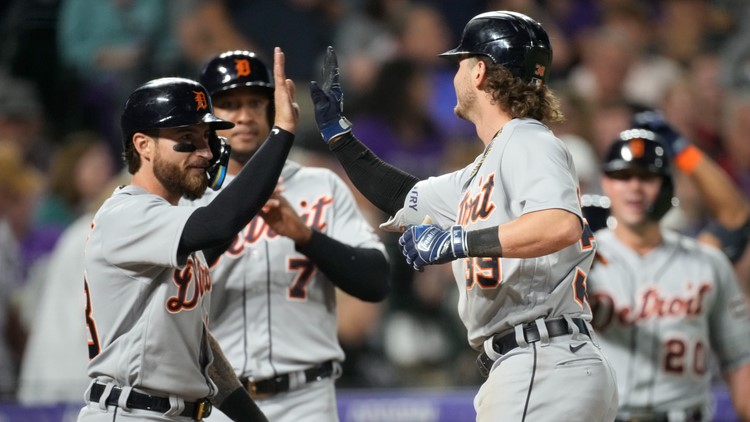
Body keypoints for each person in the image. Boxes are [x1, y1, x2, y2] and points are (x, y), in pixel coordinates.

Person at [309, 11, 618, 422]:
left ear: (479, 72)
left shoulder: (528, 139)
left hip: (541, 360)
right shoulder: (486, 165)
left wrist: (458, 241)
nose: (452, 74)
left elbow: (559, 224)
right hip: (538, 362)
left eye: (460, 62)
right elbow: (403, 195)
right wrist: (340, 138)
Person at [78, 47, 298, 422]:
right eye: (186, 138)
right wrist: (281, 133)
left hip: (179, 412)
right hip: (131, 412)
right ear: (142, 145)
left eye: (206, 138)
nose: (204, 151)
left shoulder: (175, 229)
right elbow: (218, 223)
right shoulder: (127, 213)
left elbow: (199, 355)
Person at [191, 50, 390, 422]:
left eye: (255, 102)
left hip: (307, 399)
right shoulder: (192, 198)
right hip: (218, 402)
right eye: (230, 104)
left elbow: (375, 280)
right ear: (209, 116)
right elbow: (172, 279)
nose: (245, 116)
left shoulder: (319, 185)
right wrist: (231, 218)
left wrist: (305, 235)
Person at [586, 129, 750, 421]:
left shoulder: (705, 262)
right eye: (623, 177)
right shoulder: (582, 260)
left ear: (666, 187)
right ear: (606, 183)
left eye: (646, 177)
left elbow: (740, 358)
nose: (634, 187)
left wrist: (685, 151)